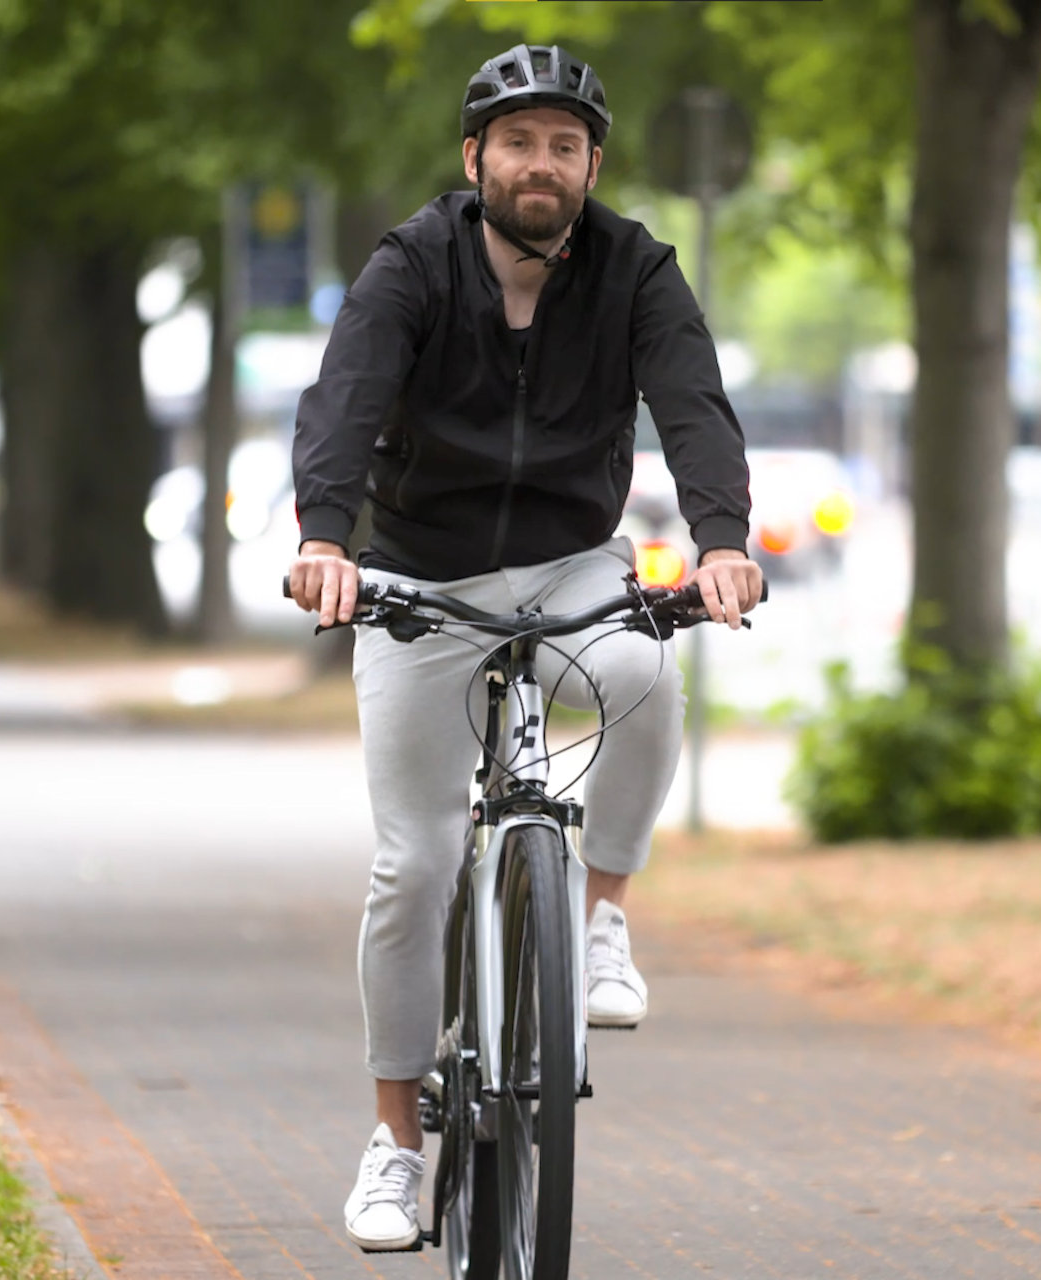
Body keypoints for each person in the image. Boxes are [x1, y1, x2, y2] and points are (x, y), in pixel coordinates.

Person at [285, 44, 762, 1252]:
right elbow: (344, 395)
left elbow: (693, 400)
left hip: (567, 567)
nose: (539, 164)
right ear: (475, 159)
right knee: (416, 862)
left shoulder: (635, 267)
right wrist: (325, 539)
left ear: (590, 166)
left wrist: (719, 541)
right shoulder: (412, 265)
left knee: (652, 675)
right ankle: (395, 1139)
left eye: (563, 145)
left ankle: (600, 910)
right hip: (416, 582)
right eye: (517, 142)